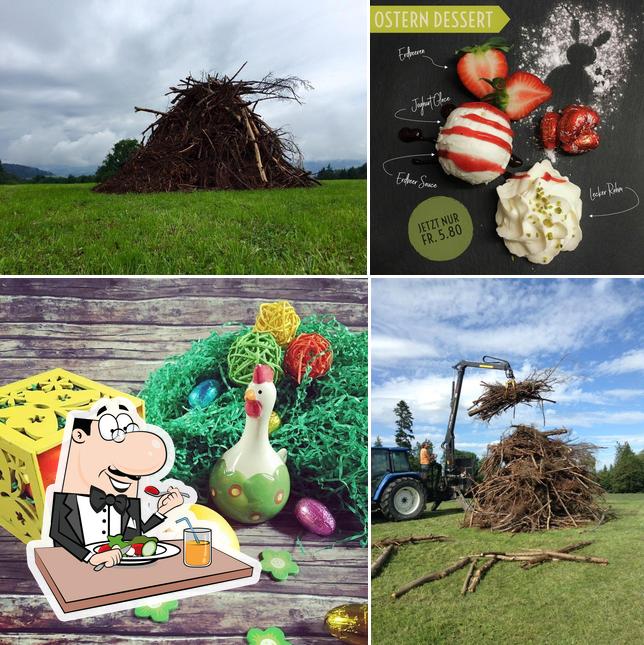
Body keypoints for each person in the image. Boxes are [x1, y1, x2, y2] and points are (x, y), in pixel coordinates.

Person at [49, 399, 186, 568]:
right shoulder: (65, 499)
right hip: (75, 573)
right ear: (79, 436)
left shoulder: (128, 500)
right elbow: (59, 534)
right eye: (112, 432)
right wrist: (90, 557)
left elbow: (134, 536)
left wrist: (162, 511)